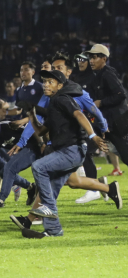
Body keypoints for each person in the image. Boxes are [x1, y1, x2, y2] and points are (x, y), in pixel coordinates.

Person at [22, 69, 108, 238]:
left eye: (50, 82)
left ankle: (48, 208)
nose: (46, 84)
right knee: (52, 188)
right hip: (69, 151)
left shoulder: (62, 99)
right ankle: (54, 230)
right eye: (45, 81)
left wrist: (93, 135)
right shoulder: (54, 105)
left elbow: (79, 115)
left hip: (72, 150)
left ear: (60, 86)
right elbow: (40, 131)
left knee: (39, 167)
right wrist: (32, 115)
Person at [88, 44, 128, 175]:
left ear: (104, 59)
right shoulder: (98, 76)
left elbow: (121, 95)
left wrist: (101, 102)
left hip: (120, 124)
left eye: (94, 57)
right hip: (111, 124)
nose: (91, 61)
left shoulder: (107, 74)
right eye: (90, 58)